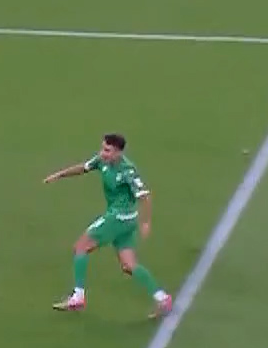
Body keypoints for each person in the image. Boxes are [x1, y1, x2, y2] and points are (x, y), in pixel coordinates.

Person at [44, 133, 172, 318]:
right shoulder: (102, 161)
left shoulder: (127, 170)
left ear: (119, 152)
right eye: (103, 148)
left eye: (107, 150)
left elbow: (145, 196)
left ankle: (78, 297)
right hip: (126, 221)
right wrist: (59, 175)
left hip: (119, 218)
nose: (103, 153)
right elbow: (84, 167)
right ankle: (162, 298)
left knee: (80, 247)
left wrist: (146, 222)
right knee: (129, 265)